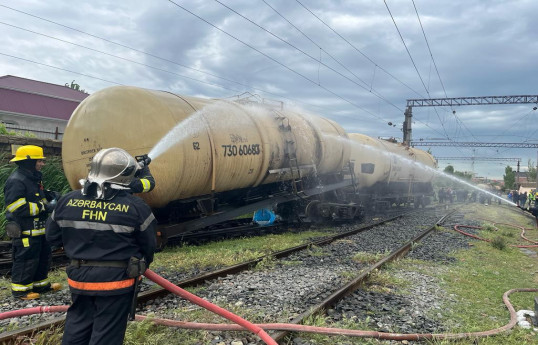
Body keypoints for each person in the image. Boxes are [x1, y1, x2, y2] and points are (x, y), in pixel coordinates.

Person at [46, 147, 157, 345]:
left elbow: (52, 237)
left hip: (79, 279)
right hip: (116, 282)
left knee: (77, 324)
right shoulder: (136, 207)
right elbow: (148, 245)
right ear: (125, 177)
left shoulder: (67, 201)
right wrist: (142, 263)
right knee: (107, 332)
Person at [4, 145, 61, 300]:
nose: (42, 163)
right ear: (28, 162)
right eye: (39, 160)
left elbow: (37, 197)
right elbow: (17, 207)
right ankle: (21, 290)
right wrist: (45, 207)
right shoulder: (16, 180)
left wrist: (49, 196)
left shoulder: (33, 177)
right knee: (26, 259)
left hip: (39, 230)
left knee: (43, 257)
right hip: (25, 231)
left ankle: (40, 285)